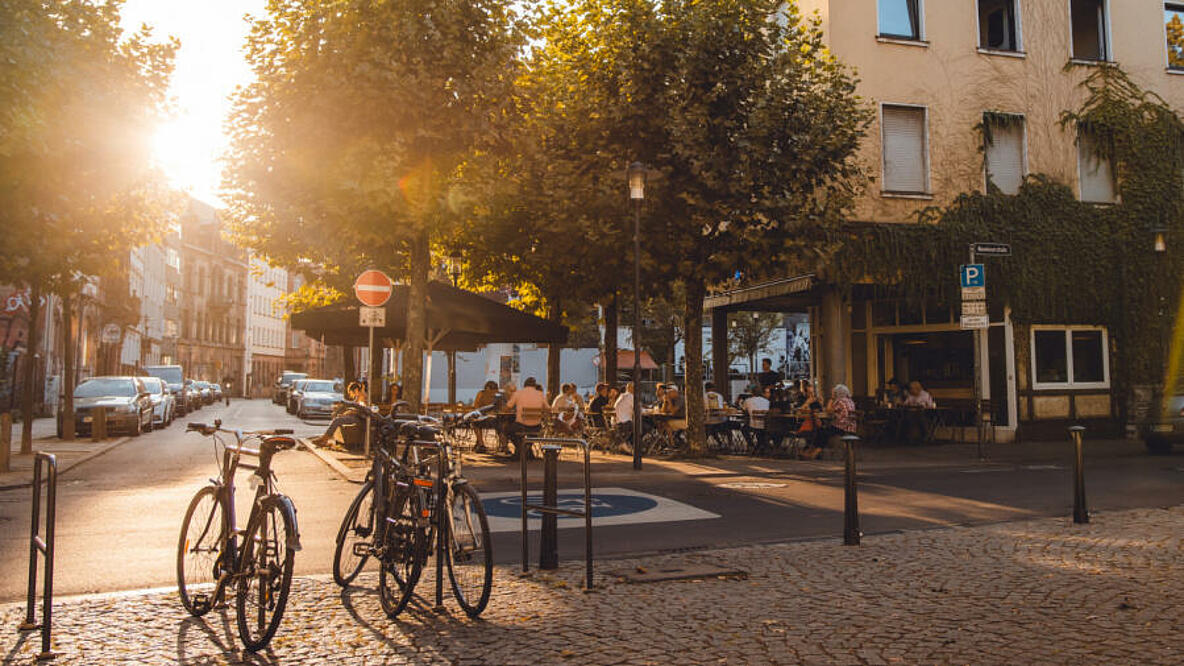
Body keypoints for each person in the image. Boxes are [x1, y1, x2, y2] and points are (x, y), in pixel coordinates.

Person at [801, 384, 857, 460]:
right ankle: (812, 452)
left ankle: (814, 453)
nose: (832, 394)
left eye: (834, 393)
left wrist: (831, 399)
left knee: (822, 432)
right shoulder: (850, 401)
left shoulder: (839, 401)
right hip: (850, 427)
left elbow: (829, 410)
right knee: (823, 431)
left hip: (842, 427)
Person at [311, 381, 366, 449]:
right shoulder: (358, 398)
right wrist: (344, 413)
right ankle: (325, 438)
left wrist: (347, 413)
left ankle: (324, 439)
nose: (351, 395)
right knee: (338, 418)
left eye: (351, 393)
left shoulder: (363, 398)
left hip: (361, 419)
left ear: (356, 390)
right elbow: (354, 407)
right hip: (357, 417)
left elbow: (360, 411)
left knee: (338, 420)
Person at [505, 377, 547, 459]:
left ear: (524, 385)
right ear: (534, 386)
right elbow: (548, 408)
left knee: (506, 429)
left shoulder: (518, 393)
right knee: (531, 433)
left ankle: (520, 449)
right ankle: (526, 449)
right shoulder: (540, 394)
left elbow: (508, 407)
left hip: (521, 425)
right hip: (536, 427)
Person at [742, 385, 771, 454]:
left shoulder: (748, 401)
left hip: (753, 425)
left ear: (752, 393)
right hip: (766, 425)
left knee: (743, 429)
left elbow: (744, 411)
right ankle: (760, 445)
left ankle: (751, 444)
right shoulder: (767, 401)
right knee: (760, 431)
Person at [613, 382, 636, 449]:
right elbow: (638, 409)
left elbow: (615, 407)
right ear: (633, 389)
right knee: (642, 428)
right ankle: (634, 445)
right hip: (625, 423)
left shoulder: (621, 396)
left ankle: (626, 443)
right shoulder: (631, 396)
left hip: (618, 422)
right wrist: (649, 410)